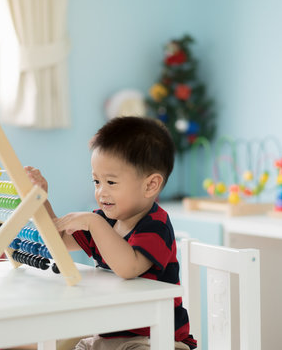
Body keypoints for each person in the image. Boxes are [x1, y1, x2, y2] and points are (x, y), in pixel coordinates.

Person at [25, 116, 197, 350]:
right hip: (108, 335)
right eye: (96, 181)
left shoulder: (156, 225)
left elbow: (128, 267)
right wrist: (39, 200)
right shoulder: (104, 220)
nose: (101, 192)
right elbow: (57, 241)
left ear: (150, 185)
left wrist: (94, 222)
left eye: (111, 182)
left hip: (157, 337)